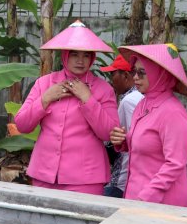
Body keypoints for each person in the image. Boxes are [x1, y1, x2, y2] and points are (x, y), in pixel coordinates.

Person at [14, 20, 119, 195]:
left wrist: (88, 98)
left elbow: (109, 133)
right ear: (64, 55)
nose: (80, 60)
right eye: (74, 54)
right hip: (44, 174)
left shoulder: (103, 89)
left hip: (86, 179)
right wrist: (46, 98)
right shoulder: (44, 83)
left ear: (92, 57)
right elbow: (22, 125)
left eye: (86, 55)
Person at [110, 44, 187, 207]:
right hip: (138, 198)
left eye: (142, 72)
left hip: (163, 203)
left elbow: (175, 163)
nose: (135, 78)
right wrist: (123, 141)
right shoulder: (143, 104)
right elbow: (148, 144)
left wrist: (146, 198)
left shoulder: (173, 113)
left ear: (159, 74)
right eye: (134, 71)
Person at [99, 54, 143, 198]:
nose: (111, 81)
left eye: (113, 74)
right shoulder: (142, 97)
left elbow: (123, 138)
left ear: (125, 76)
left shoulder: (129, 101)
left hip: (123, 178)